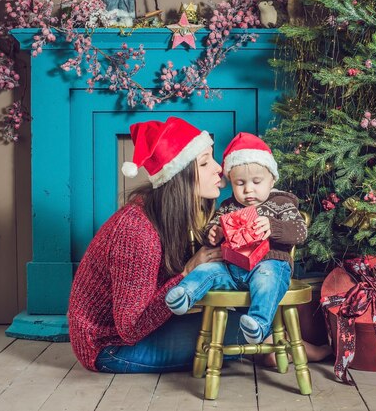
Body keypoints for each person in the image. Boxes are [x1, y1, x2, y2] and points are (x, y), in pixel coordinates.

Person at [68, 118, 329, 374]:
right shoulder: (136, 230)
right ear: (181, 177)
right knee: (230, 328)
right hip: (112, 347)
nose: (219, 169)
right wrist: (186, 274)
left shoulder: (171, 216)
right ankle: (279, 350)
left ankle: (272, 349)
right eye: (205, 162)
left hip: (140, 332)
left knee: (233, 323)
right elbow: (130, 328)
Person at [165, 132, 307, 344]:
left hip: (268, 264)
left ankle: (258, 324)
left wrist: (273, 226)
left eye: (256, 182)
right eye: (240, 183)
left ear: (272, 180)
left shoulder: (281, 203)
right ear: (231, 182)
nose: (248, 190)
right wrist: (214, 233)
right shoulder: (229, 206)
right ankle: (185, 295)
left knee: (268, 277)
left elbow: (300, 231)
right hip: (231, 268)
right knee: (207, 270)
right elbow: (211, 230)